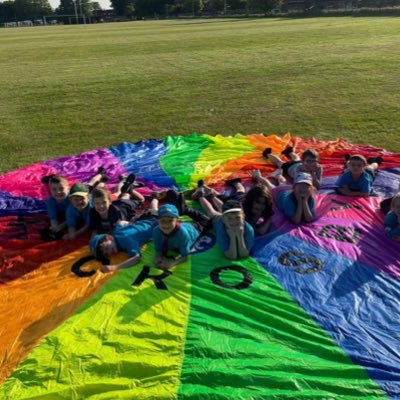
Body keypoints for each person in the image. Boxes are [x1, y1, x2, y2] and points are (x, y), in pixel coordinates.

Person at [90, 199, 159, 272]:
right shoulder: (115, 232)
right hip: (141, 220)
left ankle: (157, 199)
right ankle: (155, 199)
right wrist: (130, 223)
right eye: (106, 254)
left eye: (107, 248)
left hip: (155, 222)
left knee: (155, 210)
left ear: (109, 237)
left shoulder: (126, 240)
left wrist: (115, 267)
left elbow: (137, 258)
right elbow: (120, 223)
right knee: (153, 208)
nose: (109, 252)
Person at [152, 203, 209, 270]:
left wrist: (172, 264)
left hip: (195, 228)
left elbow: (185, 256)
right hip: (186, 225)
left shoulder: (182, 234)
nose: (166, 224)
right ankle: (185, 210)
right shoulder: (156, 231)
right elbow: (158, 250)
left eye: (170, 220)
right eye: (162, 220)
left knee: (208, 221)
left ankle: (187, 210)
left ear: (177, 221)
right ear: (157, 221)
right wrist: (158, 257)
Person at [41, 174, 70, 240]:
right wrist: (56, 229)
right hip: (63, 216)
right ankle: (50, 179)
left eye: (61, 188)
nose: (58, 192)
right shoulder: (50, 200)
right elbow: (53, 218)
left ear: (68, 188)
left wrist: (61, 226)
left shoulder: (72, 198)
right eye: (54, 189)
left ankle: (99, 174)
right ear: (50, 191)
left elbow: (74, 216)